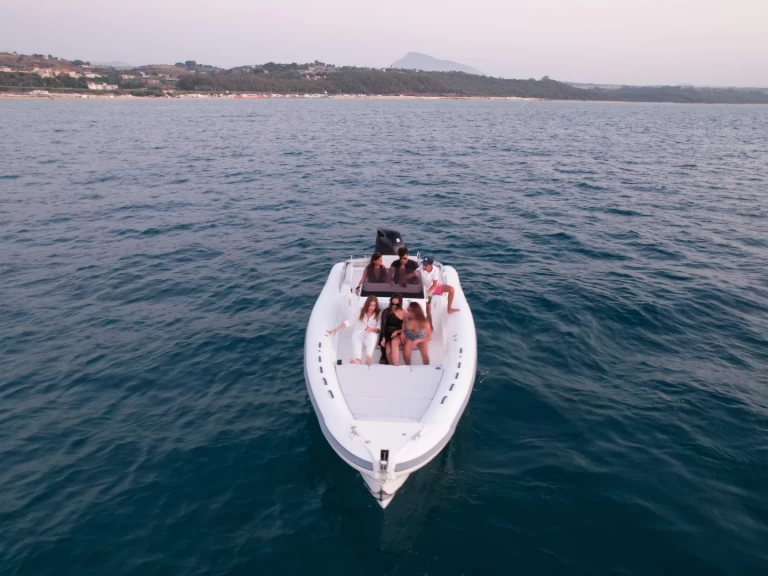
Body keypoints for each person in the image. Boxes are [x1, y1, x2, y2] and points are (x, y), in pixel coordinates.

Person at [327, 295, 381, 365]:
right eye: (370, 305)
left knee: (372, 336)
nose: (372, 307)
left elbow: (379, 328)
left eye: (374, 305)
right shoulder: (360, 311)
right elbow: (349, 321)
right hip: (359, 332)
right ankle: (357, 360)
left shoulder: (378, 313)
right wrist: (336, 329)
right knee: (357, 341)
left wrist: (371, 329)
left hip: (371, 332)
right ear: (367, 304)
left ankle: (368, 357)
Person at [379, 293, 406, 365]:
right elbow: (383, 325)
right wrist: (383, 337)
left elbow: (406, 326)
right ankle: (392, 367)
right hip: (388, 334)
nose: (394, 306)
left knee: (394, 342)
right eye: (392, 303)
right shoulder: (387, 311)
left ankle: (395, 365)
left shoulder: (404, 313)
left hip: (398, 334)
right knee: (388, 351)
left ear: (400, 304)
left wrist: (397, 331)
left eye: (396, 304)